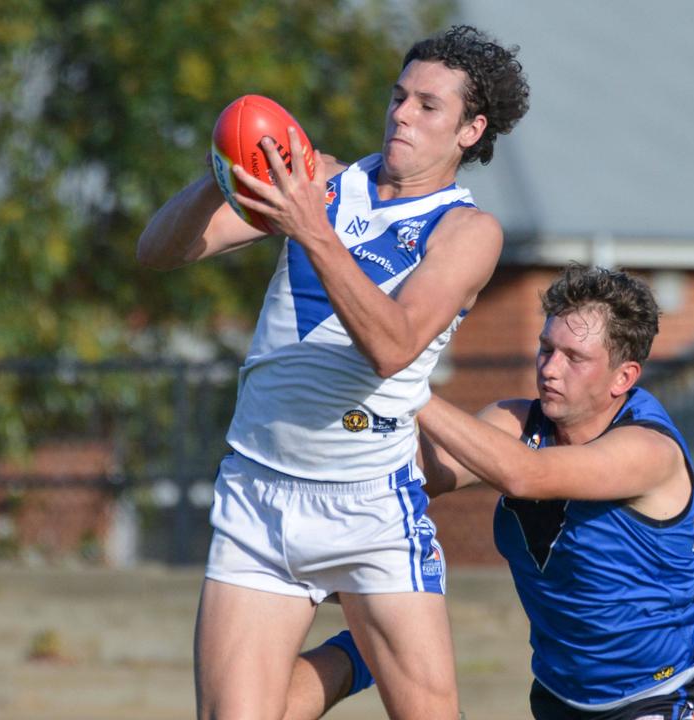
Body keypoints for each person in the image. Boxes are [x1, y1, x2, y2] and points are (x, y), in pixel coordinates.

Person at [136, 25, 529, 720]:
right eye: (398, 96)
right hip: (258, 493)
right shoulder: (316, 178)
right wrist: (216, 178)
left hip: (369, 505)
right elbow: (159, 251)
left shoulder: (467, 233)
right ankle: (356, 655)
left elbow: (394, 346)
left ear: (472, 129)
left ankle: (361, 650)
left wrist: (310, 227)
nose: (402, 113)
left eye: (427, 106)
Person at [286, 264, 694, 720]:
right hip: (562, 695)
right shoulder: (515, 421)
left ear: (623, 378)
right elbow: (424, 471)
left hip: (665, 691)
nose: (549, 368)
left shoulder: (648, 449)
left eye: (573, 357)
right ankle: (368, 652)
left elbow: (526, 475)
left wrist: (406, 389)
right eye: (545, 348)